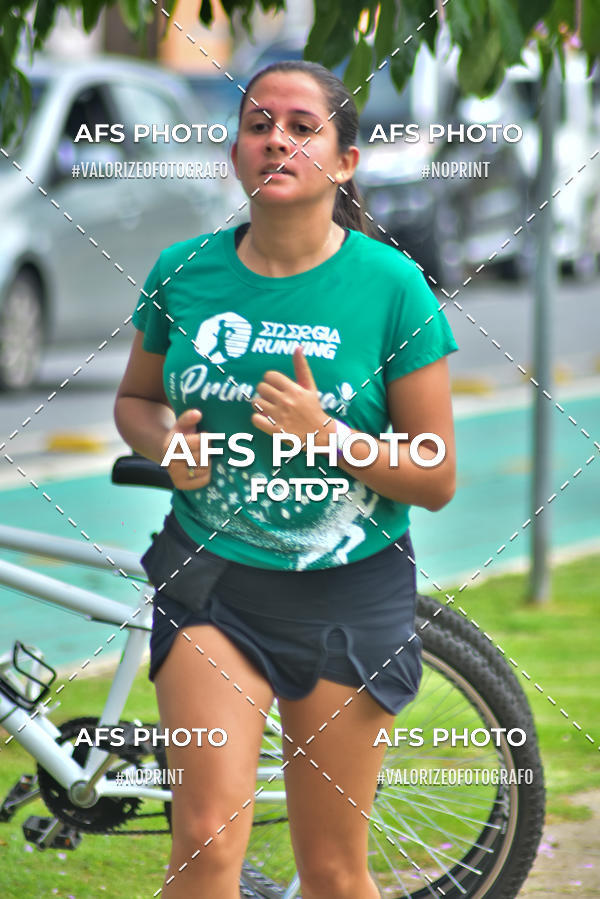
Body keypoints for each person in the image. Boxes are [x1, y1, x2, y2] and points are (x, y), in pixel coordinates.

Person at [114, 60, 457, 899]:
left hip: (347, 595)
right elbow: (135, 400)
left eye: (303, 127)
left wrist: (328, 434)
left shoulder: (392, 288)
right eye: (259, 123)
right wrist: (168, 448)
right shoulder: (184, 270)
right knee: (202, 840)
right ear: (236, 151)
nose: (277, 139)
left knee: (334, 871)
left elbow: (436, 473)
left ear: (343, 163)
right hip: (211, 582)